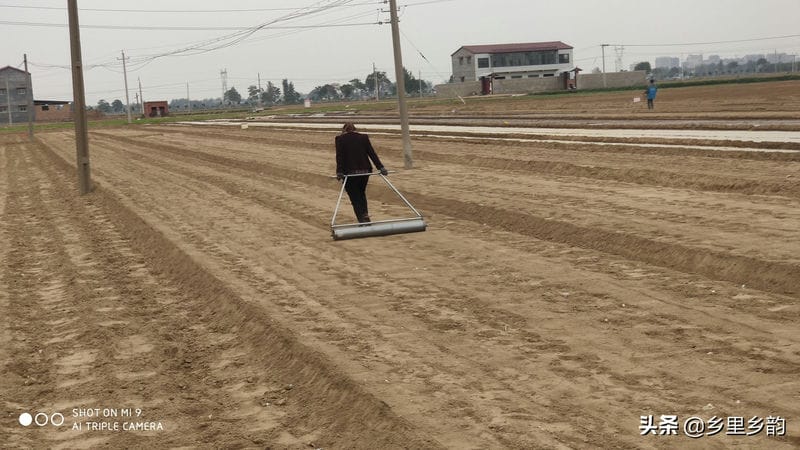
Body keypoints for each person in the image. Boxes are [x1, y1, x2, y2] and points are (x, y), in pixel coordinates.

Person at [335, 122, 388, 223]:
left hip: (350, 173)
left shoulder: (340, 139)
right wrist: (381, 167)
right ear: (355, 129)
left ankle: (362, 219)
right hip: (365, 171)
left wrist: (339, 172)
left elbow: (339, 157)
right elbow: (372, 153)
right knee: (361, 193)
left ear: (344, 130)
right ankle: (365, 215)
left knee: (354, 196)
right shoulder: (363, 137)